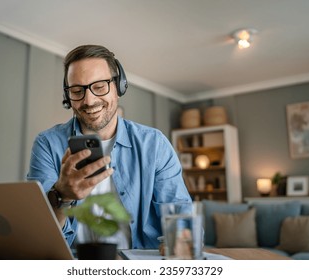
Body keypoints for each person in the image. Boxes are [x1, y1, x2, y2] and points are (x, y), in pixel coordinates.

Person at [27, 44, 191, 249]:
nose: (89, 100)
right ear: (68, 97)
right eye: (77, 90)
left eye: (99, 86)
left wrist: (179, 245)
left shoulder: (154, 144)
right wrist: (62, 195)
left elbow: (180, 216)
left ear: (119, 86)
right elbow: (38, 235)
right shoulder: (47, 144)